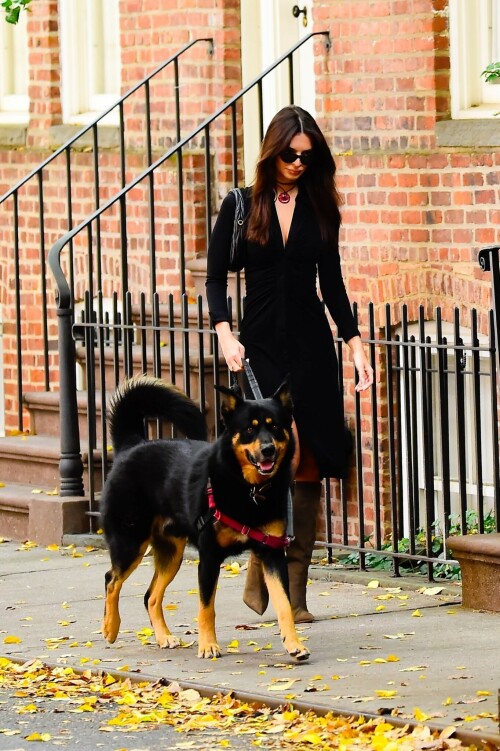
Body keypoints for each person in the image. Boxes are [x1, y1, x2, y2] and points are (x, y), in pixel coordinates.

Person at [205, 105, 373, 623]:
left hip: (311, 347)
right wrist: (224, 333)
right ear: (272, 151)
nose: (298, 163)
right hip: (258, 348)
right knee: (278, 454)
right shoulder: (241, 205)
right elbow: (214, 277)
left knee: (311, 464)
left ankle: (291, 596)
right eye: (289, 154)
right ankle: (266, 564)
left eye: (308, 155)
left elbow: (334, 284)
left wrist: (355, 341)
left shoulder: (321, 208)